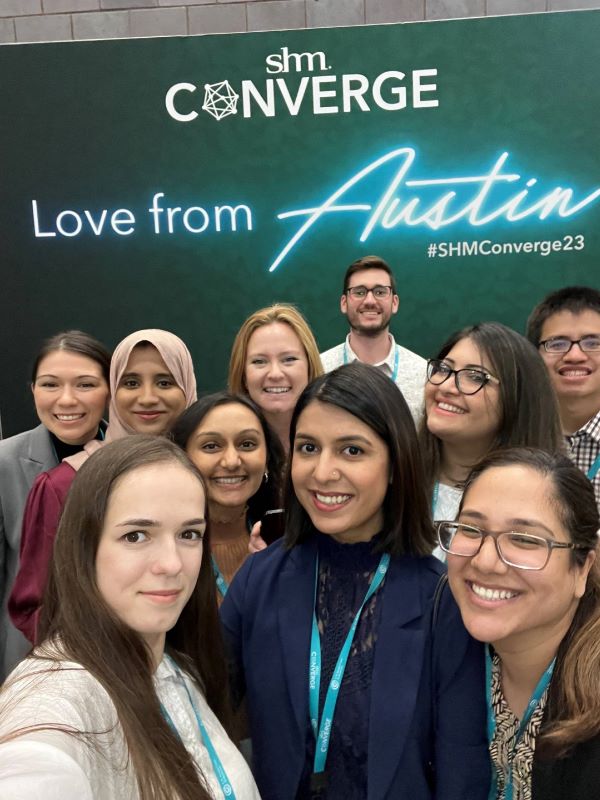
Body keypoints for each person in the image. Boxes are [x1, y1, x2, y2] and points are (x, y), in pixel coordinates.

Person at [221, 363, 489, 800]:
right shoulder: (260, 577)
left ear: (396, 463)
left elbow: (463, 770)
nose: (322, 472)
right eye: (308, 448)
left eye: (352, 451)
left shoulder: (443, 601)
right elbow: (200, 702)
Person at [0, 435, 260, 800]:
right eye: (136, 535)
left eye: (189, 534)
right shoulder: (60, 694)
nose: (172, 564)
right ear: (84, 546)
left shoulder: (174, 665)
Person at [10, 328, 197, 644]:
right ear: (113, 390)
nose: (148, 397)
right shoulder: (68, 483)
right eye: (131, 382)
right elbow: (36, 608)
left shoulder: (205, 474)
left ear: (187, 385)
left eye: (165, 382)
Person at [441, 448, 600, 799]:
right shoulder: (442, 633)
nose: (485, 562)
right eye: (471, 528)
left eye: (525, 539)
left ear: (583, 568)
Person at [0, 330, 110, 680]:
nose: (66, 400)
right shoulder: (4, 463)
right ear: (32, 389)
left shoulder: (132, 461)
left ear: (110, 390)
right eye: (50, 385)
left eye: (85, 385)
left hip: (113, 656)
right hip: (27, 662)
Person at [420, 322, 563, 556]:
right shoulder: (392, 477)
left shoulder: (549, 505)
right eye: (444, 369)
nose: (446, 386)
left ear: (518, 398)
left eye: (475, 377)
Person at [171, 392, 284, 601]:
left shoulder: (288, 541)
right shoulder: (164, 550)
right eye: (211, 446)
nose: (231, 461)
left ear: (268, 457)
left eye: (247, 444)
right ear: (182, 457)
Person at [319, 255, 426, 422]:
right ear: (344, 303)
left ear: (394, 302)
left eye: (380, 292)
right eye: (359, 292)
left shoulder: (423, 374)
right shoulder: (318, 369)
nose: (369, 301)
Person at [527, 286, 600, 508]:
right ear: (534, 356)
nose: (575, 355)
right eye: (557, 344)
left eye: (593, 343)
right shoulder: (514, 438)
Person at [228, 303, 323, 452]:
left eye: (289, 359)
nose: (275, 374)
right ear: (243, 375)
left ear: (309, 367)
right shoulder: (227, 448)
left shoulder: (340, 432)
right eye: (259, 361)